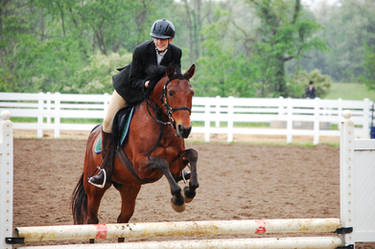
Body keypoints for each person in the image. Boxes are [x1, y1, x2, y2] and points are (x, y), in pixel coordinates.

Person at [88, 18, 182, 188]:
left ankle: (179, 164)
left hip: (154, 94)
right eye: (156, 38)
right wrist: (146, 84)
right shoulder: (141, 50)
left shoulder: (176, 53)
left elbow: (175, 78)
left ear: (171, 40)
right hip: (129, 89)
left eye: (163, 39)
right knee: (108, 121)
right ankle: (105, 169)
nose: (159, 42)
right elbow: (133, 79)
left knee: (174, 116)